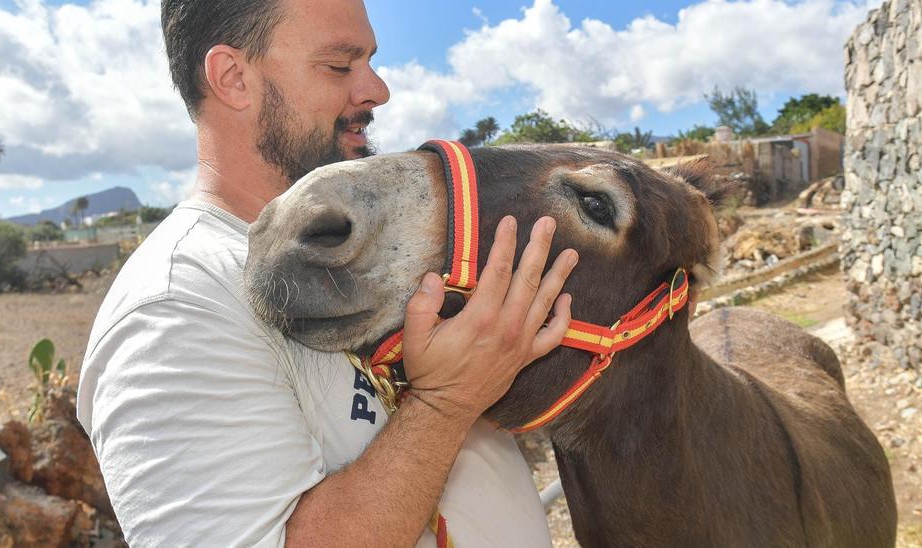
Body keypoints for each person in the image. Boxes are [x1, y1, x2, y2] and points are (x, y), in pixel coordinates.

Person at [75, 0, 579, 545]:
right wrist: (446, 401)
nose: (377, 90)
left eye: (368, 63)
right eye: (340, 66)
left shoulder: (364, 246)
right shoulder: (174, 307)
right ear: (233, 78)